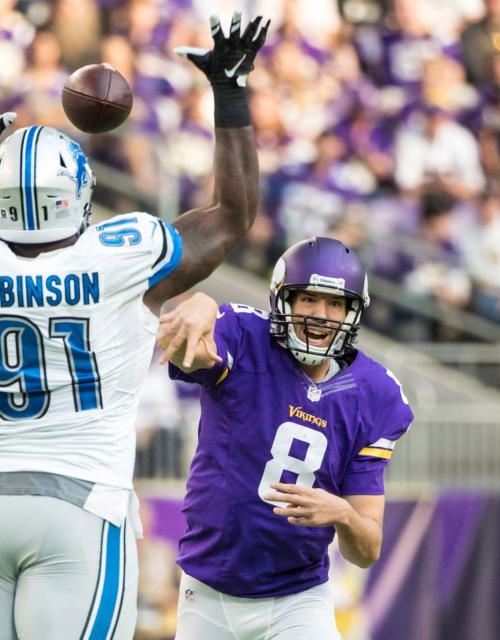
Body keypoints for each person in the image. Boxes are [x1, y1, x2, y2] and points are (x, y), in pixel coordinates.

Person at [0, 12, 269, 639]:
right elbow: (232, 215)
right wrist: (230, 91)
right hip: (83, 510)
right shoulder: (123, 259)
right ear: (78, 193)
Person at [156, 237, 414, 640]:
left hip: (298, 597)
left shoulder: (375, 394)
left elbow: (366, 551)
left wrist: (343, 514)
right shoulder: (245, 336)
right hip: (207, 590)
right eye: (308, 299)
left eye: (335, 303)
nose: (321, 315)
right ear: (282, 301)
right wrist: (202, 304)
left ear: (353, 312)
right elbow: (192, 349)